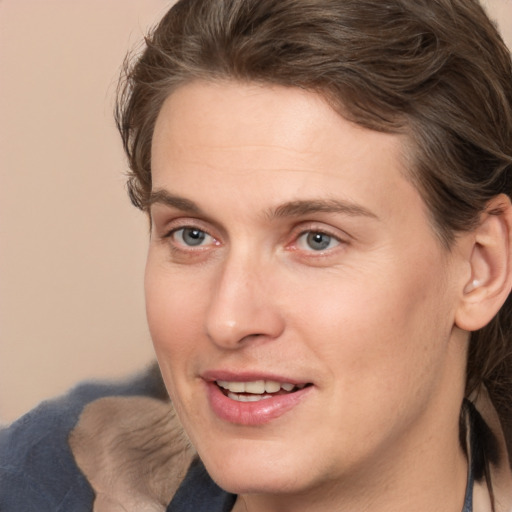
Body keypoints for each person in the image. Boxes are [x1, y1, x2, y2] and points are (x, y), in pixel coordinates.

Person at [1, 0, 512, 510]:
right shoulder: (42, 483)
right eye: (192, 235)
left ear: (480, 268)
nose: (228, 320)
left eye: (317, 239)